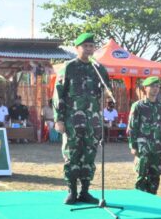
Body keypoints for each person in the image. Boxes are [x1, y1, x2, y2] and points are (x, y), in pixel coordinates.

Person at [53, 32, 110, 205]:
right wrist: (59, 119)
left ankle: (85, 191)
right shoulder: (69, 67)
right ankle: (72, 190)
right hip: (72, 120)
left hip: (92, 121)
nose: (88, 49)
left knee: (89, 155)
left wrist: (107, 94)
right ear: (77, 48)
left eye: (91, 46)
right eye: (85, 46)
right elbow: (59, 94)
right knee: (72, 154)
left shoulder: (99, 69)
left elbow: (106, 91)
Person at [127, 76, 161, 194]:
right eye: (152, 86)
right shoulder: (138, 106)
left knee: (155, 177)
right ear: (145, 88)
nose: (155, 89)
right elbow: (132, 128)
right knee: (141, 177)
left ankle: (153, 200)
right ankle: (141, 203)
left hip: (157, 148)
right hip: (143, 148)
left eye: (157, 86)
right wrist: (133, 146)